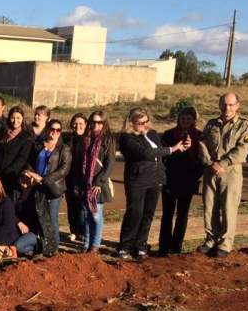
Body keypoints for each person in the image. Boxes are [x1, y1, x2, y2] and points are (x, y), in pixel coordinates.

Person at [118, 107, 191, 260]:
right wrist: (172, 149)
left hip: (155, 179)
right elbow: (146, 153)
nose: (145, 125)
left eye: (146, 121)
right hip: (137, 180)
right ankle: (125, 246)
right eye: (140, 123)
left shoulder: (152, 133)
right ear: (131, 123)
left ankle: (140, 246)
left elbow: (161, 151)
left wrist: (181, 147)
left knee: (148, 214)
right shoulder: (126, 137)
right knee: (135, 213)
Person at [198, 93, 248, 258]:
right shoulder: (211, 124)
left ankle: (225, 243)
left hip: (231, 171)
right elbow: (202, 143)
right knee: (209, 207)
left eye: (230, 105)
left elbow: (242, 149)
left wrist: (221, 164)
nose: (226, 108)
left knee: (228, 208)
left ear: (238, 105)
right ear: (219, 105)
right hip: (210, 170)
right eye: (223, 104)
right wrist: (210, 163)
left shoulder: (245, 124)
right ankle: (211, 239)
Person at [158, 106, 202, 256]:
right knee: (167, 215)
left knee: (182, 215)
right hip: (170, 180)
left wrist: (195, 176)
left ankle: (176, 247)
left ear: (194, 120)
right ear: (178, 119)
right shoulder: (169, 134)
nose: (185, 121)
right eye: (183, 118)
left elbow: (202, 160)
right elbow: (162, 156)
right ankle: (163, 247)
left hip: (188, 181)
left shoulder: (200, 136)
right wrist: (175, 149)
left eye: (189, 119)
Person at [23, 119, 71, 254]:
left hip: (54, 188)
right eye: (52, 129)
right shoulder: (38, 145)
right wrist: (31, 173)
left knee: (52, 218)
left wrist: (44, 179)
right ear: (47, 130)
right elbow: (29, 161)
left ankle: (54, 248)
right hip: (37, 186)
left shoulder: (64, 148)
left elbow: (64, 169)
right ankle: (43, 246)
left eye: (58, 130)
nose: (54, 132)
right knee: (40, 216)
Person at [71, 111, 116, 253]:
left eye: (99, 122)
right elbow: (79, 162)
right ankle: (86, 244)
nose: (96, 125)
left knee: (96, 215)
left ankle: (95, 245)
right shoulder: (85, 138)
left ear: (104, 123)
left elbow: (109, 164)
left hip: (98, 185)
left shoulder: (108, 139)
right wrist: (78, 183)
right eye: (93, 122)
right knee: (87, 214)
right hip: (84, 183)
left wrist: (98, 182)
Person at [0, 106, 33, 194]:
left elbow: (22, 159)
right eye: (13, 118)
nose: (15, 121)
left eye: (18, 118)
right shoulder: (2, 133)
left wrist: (8, 172)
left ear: (22, 119)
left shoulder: (26, 137)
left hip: (10, 177)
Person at [64, 113, 89, 243]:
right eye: (75, 123)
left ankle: (84, 232)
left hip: (84, 179)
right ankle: (74, 231)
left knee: (83, 208)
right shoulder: (68, 139)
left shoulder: (88, 140)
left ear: (85, 125)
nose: (78, 126)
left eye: (81, 124)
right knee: (71, 206)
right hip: (70, 178)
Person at [11, 172, 43, 257]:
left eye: (28, 178)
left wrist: (37, 179)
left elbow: (48, 187)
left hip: (33, 231)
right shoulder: (15, 193)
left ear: (33, 178)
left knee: (17, 246)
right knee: (9, 245)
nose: (25, 180)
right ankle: (28, 250)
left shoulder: (38, 192)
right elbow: (10, 212)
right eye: (22, 177)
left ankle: (37, 245)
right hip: (18, 229)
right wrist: (18, 222)